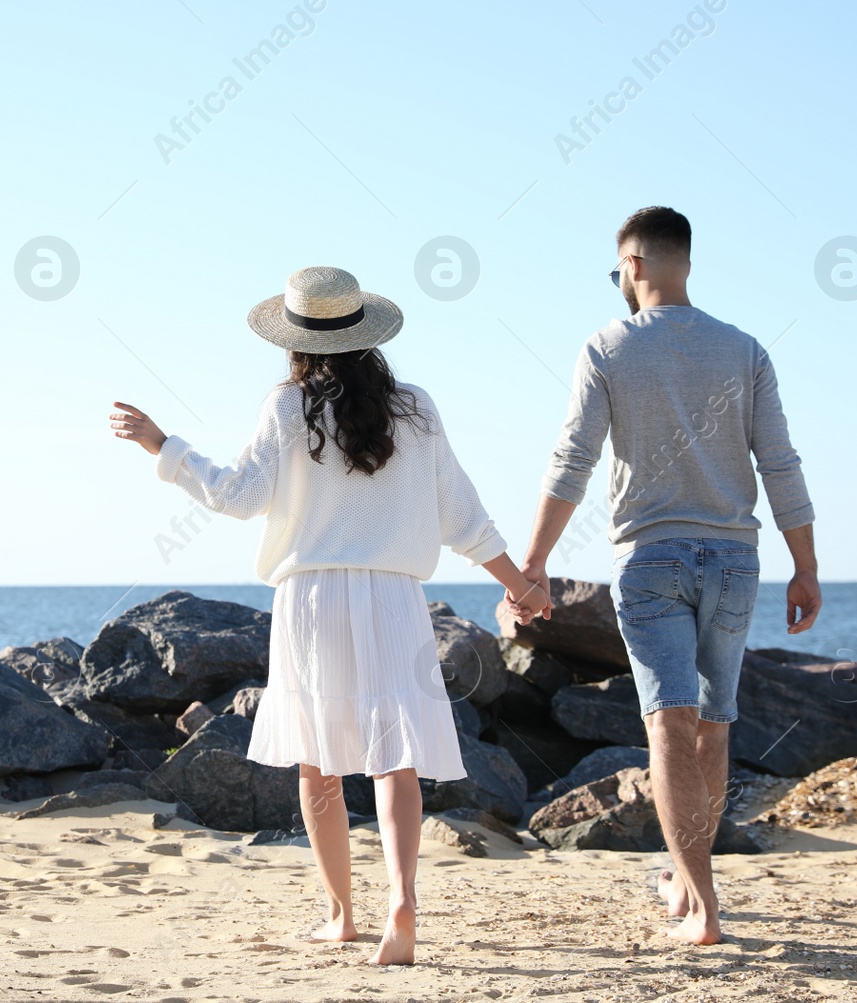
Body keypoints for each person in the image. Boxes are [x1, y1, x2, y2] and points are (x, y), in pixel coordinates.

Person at [110, 265, 547, 965]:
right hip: (397, 598)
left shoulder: (288, 407)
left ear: (296, 340)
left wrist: (165, 447)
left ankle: (341, 914)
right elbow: (461, 513)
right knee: (394, 760)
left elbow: (235, 495)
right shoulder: (417, 408)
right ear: (366, 334)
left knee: (318, 767)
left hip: (312, 600)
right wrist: (520, 585)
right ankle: (401, 900)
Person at [509, 206, 821, 945]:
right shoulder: (744, 350)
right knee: (711, 725)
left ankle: (705, 909)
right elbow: (780, 462)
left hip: (650, 560)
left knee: (667, 722)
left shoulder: (608, 347)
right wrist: (806, 566)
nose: (618, 279)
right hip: (737, 559)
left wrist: (533, 562)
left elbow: (572, 463)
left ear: (637, 265)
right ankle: (688, 882)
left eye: (618, 267)